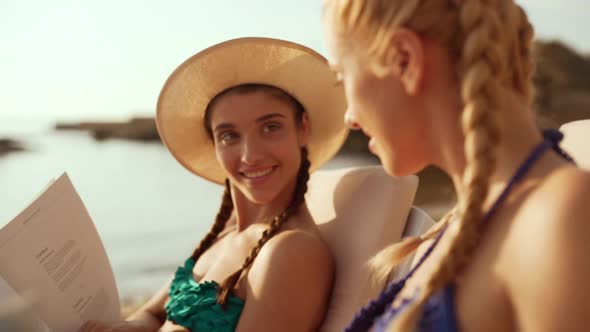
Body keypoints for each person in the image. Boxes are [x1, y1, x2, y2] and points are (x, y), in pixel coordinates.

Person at [322, 0, 590, 331]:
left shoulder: (561, 215)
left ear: (405, 60)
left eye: (342, 76)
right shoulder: (452, 230)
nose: (350, 118)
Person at [80, 37, 348, 332]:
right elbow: (153, 313)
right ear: (214, 144)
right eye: (229, 135)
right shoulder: (225, 235)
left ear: (303, 128)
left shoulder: (291, 250)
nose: (250, 155)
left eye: (271, 127)